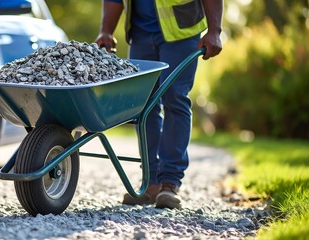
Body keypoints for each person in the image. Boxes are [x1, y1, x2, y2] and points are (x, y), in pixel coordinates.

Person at [95, 0, 223, 209]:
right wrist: (106, 31)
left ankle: (169, 182)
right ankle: (151, 181)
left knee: (175, 97)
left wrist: (215, 30)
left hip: (181, 32)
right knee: (143, 105)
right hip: (140, 35)